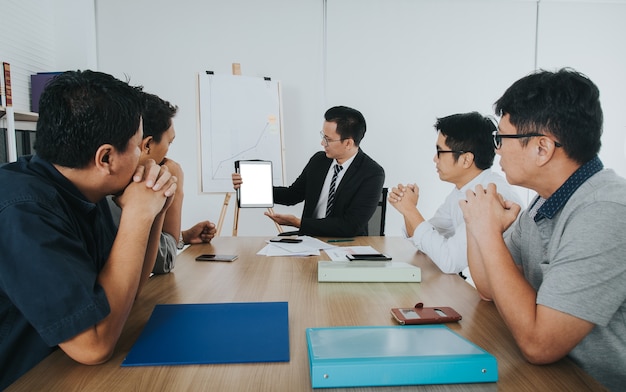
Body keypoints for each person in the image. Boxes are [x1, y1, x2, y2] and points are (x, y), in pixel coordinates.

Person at [0, 70, 178, 389]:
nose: (144, 156)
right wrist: (138, 214)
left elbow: (126, 296)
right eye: (139, 146)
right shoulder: (23, 208)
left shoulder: (83, 190)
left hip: (62, 371)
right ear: (106, 157)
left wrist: (157, 209)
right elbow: (92, 346)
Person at [459, 68, 626, 391]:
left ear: (542, 148)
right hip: (555, 375)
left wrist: (489, 234)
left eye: (501, 139)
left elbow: (540, 344)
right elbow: (489, 288)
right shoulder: (544, 202)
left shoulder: (605, 210)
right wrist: (477, 225)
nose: (497, 150)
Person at [388, 112, 523, 284]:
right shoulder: (463, 190)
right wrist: (408, 209)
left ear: (466, 159)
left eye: (440, 151)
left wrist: (410, 210)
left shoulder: (490, 195)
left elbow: (449, 261)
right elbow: (425, 241)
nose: (435, 159)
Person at [232, 106, 385, 237]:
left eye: (328, 139)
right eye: (322, 136)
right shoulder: (319, 160)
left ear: (348, 143)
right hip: (309, 241)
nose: (322, 143)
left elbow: (351, 226)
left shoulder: (372, 173)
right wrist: (249, 187)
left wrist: (299, 223)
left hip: (347, 245)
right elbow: (292, 195)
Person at [107, 92, 216, 273]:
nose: (167, 155)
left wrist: (182, 237)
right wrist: (177, 189)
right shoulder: (124, 192)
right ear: (147, 144)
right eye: (170, 143)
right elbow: (163, 260)